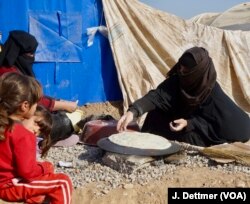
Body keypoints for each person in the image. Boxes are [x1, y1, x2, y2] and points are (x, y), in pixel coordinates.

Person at [117, 46, 250, 147]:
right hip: (177, 121)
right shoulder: (177, 80)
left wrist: (190, 123)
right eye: (180, 67)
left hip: (199, 131)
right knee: (155, 114)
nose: (181, 72)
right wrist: (133, 111)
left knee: (189, 138)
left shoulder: (211, 94)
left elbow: (241, 130)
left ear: (198, 72)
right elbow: (156, 97)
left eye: (187, 71)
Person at [0, 72, 72, 204]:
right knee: (63, 182)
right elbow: (27, 172)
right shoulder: (22, 134)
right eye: (35, 104)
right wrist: (44, 168)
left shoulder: (4, 125)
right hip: (10, 185)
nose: (36, 107)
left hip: (5, 181)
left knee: (46, 173)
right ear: (25, 106)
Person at [0, 30, 78, 113]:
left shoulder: (16, 68)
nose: (32, 57)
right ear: (16, 53)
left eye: (33, 54)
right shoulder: (9, 75)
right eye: (29, 54)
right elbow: (29, 99)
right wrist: (64, 105)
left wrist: (58, 101)